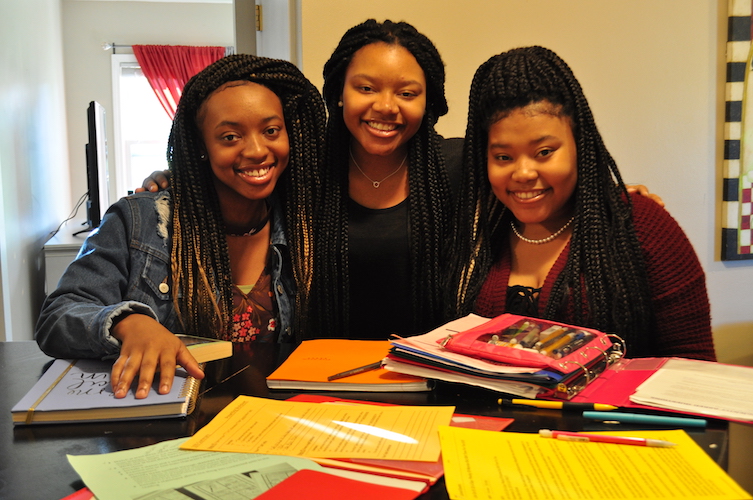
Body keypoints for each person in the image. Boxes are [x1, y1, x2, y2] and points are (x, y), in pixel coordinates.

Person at [139, 20, 661, 341]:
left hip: (435, 383)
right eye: (366, 87)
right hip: (318, 381)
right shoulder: (303, 169)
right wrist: (176, 177)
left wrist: (616, 195)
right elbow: (241, 168)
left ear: (428, 102)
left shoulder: (460, 168)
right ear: (339, 92)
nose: (385, 107)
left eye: (407, 92)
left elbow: (532, 179)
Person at [36, 55, 327, 398]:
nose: (256, 150)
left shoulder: (306, 225)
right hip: (173, 427)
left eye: (271, 130)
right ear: (202, 147)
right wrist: (129, 323)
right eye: (230, 136)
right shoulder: (139, 222)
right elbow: (58, 316)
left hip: (275, 422)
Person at [446, 46, 715, 361]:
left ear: (579, 144)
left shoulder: (641, 227)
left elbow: (694, 365)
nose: (523, 173)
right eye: (503, 157)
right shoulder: (479, 232)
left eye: (544, 152)